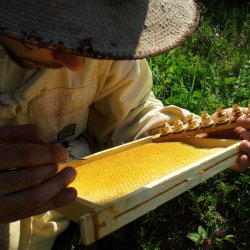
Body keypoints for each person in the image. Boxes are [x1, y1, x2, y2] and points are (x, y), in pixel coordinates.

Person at [0, 0, 249, 249]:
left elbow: (130, 112)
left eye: (84, 34)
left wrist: (193, 136)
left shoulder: (104, 37)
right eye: (45, 33)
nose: (76, 63)